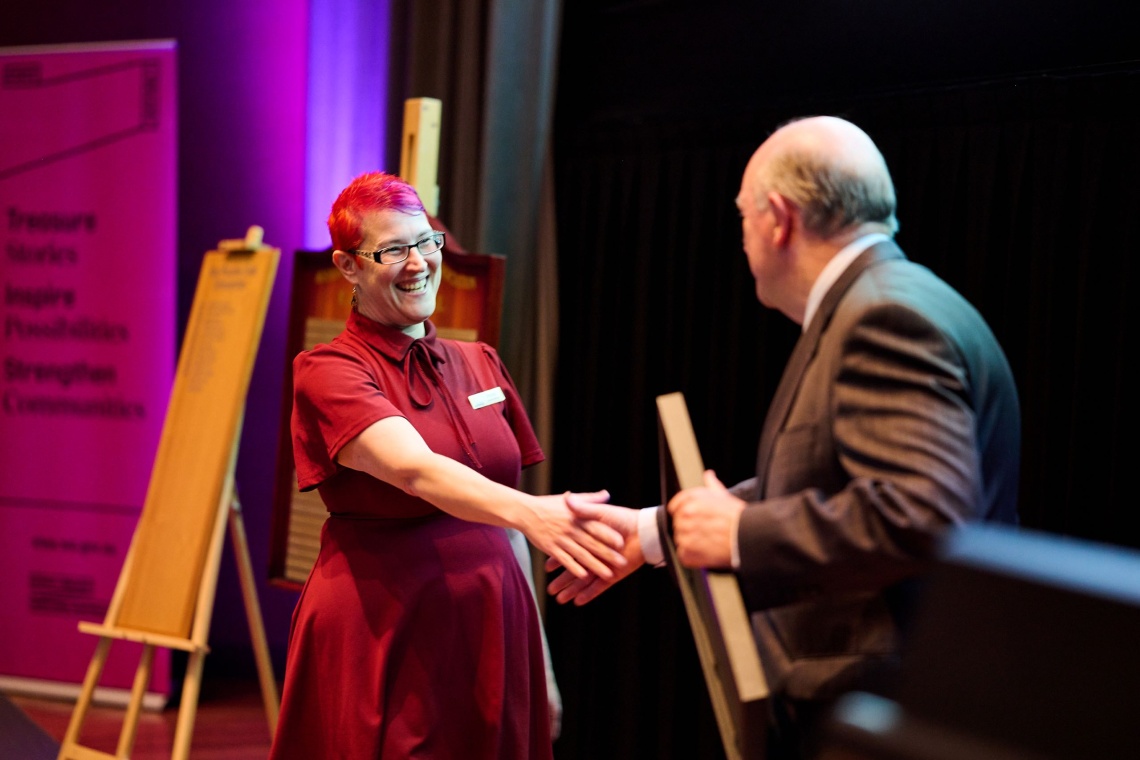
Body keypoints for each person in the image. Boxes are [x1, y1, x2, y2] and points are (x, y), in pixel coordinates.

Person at [547, 116, 1021, 758]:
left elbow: (926, 515)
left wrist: (739, 534)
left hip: (881, 709)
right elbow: (825, 484)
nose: (742, 241)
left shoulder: (883, 317)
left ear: (778, 218)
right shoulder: (886, 299)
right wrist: (658, 532)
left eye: (742, 217)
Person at [269, 171, 625, 759]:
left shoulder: (480, 360)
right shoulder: (328, 369)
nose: (418, 263)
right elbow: (416, 471)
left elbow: (505, 521)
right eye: (392, 250)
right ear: (348, 266)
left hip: (493, 623)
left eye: (426, 241)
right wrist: (536, 512)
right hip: (386, 627)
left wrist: (543, 663)